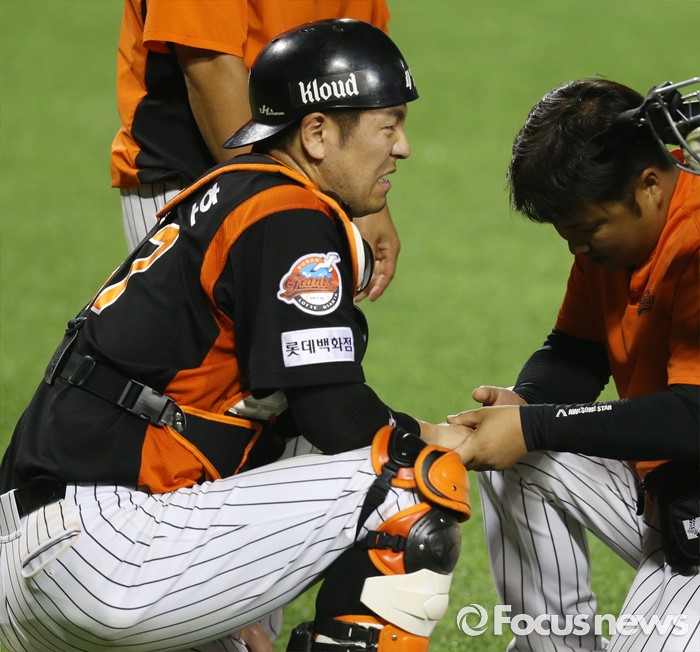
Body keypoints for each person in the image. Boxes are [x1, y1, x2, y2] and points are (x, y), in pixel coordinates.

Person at [0, 20, 472, 652]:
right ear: (317, 133)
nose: (403, 147)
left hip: (28, 567)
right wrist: (438, 438)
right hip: (105, 554)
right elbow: (336, 414)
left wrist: (227, 596)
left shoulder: (226, 195)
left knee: (290, 437)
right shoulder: (288, 214)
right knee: (410, 478)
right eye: (389, 126)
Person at [448, 77, 700, 651]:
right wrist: (525, 404)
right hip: (670, 492)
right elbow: (575, 351)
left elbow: (694, 414)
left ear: (649, 184)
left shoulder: (695, 242)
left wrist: (536, 425)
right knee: (513, 455)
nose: (577, 250)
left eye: (587, 230)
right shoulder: (614, 245)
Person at [111, 0, 400, 302]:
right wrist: (281, 202)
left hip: (318, 175)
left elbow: (353, 51)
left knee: (301, 326)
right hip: (191, 180)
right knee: (194, 332)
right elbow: (208, 64)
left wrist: (364, 190)